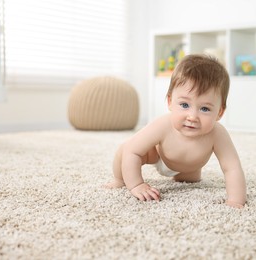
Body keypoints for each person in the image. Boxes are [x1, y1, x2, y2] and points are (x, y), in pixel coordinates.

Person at [104, 54, 246, 208]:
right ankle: (119, 179)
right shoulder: (163, 125)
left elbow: (231, 167)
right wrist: (136, 185)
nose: (192, 117)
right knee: (125, 149)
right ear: (171, 102)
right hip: (158, 156)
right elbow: (132, 150)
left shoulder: (218, 134)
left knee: (190, 180)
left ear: (219, 112)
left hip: (189, 168)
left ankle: (185, 175)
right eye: (184, 105)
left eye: (204, 109)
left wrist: (236, 201)